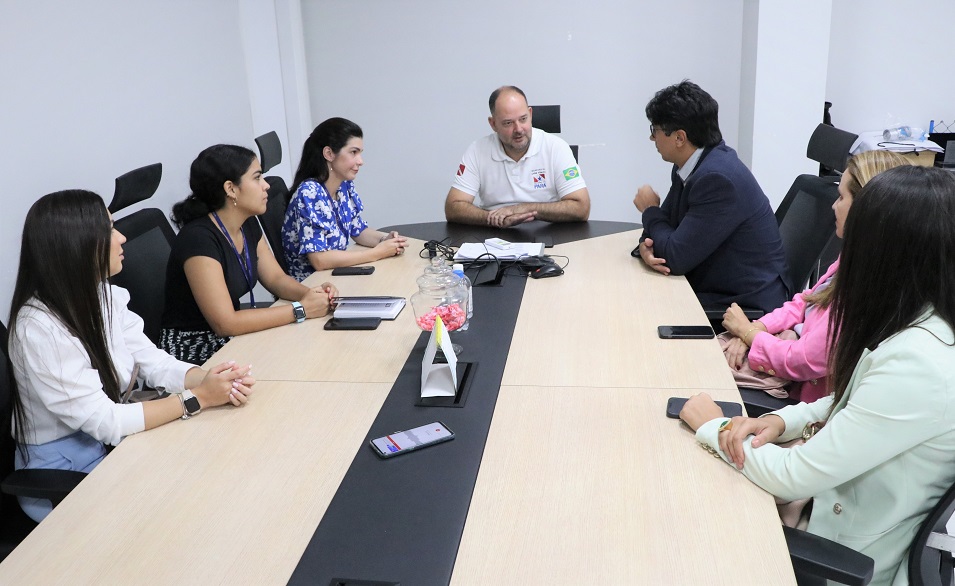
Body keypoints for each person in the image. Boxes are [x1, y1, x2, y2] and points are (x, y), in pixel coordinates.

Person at [680, 166, 955, 585]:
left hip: (841, 555)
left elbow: (793, 474)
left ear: (886, 252)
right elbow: (861, 396)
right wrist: (784, 418)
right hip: (829, 509)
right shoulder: (926, 323)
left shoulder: (920, 364)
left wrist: (712, 426)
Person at [7, 190, 255, 522]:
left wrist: (209, 379)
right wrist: (197, 399)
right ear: (78, 244)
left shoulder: (103, 295)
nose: (122, 237)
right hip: (61, 474)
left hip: (108, 444)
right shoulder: (38, 329)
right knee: (180, 510)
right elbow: (104, 421)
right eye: (109, 229)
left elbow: (152, 361)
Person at [720, 150, 911, 403]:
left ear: (867, 208)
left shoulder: (869, 290)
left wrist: (748, 334)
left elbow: (803, 360)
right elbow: (806, 300)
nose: (834, 205)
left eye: (841, 197)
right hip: (783, 364)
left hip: (802, 401)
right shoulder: (855, 257)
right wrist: (760, 326)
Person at [162, 144, 338, 364]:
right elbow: (224, 323)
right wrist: (301, 309)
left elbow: (275, 279)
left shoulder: (247, 222)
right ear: (231, 189)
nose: (266, 186)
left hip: (232, 337)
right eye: (257, 178)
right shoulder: (198, 240)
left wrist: (312, 295)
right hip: (195, 349)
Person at [633, 80, 789, 314]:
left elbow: (674, 256)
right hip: (713, 281)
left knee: (640, 307)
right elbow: (664, 229)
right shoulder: (689, 164)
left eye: (654, 131)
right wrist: (646, 249)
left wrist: (649, 210)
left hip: (745, 302)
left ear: (679, 138)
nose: (652, 139)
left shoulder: (717, 179)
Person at [282, 117, 408, 282]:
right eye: (353, 152)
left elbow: (358, 230)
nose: (360, 161)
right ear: (329, 153)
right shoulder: (310, 193)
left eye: (360, 153)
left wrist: (385, 240)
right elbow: (320, 260)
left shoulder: (343, 185)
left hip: (335, 277)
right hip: (313, 285)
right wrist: (377, 253)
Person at [444, 86, 591, 227]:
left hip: (547, 231)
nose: (518, 129)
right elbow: (453, 207)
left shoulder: (556, 147)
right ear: (493, 124)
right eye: (508, 123)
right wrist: (493, 219)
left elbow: (582, 208)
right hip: (493, 233)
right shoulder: (477, 150)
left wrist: (523, 209)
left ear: (531, 114)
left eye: (523, 119)